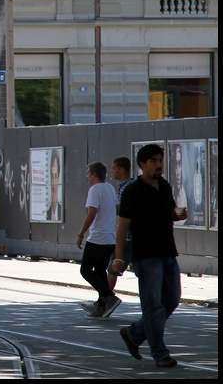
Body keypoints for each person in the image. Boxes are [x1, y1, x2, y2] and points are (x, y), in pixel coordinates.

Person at [113, 143, 188, 368]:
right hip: (146, 256)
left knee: (172, 300)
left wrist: (177, 215)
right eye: (154, 161)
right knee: (153, 306)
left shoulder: (163, 185)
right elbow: (122, 227)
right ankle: (160, 354)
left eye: (159, 160)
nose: (158, 165)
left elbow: (169, 212)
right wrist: (118, 258)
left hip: (168, 251)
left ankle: (134, 334)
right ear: (142, 165)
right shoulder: (132, 191)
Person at [76, 162, 121, 318]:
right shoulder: (109, 187)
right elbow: (116, 209)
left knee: (86, 270)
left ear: (94, 174)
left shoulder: (95, 190)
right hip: (110, 238)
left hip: (97, 238)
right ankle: (101, 307)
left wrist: (81, 234)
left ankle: (109, 297)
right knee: (100, 270)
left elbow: (91, 213)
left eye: (88, 173)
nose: (87, 176)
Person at [107, 156, 134, 291]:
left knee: (113, 267)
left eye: (113, 168)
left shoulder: (127, 187)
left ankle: (104, 300)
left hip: (127, 235)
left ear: (122, 170)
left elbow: (124, 211)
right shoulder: (125, 186)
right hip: (129, 235)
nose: (112, 171)